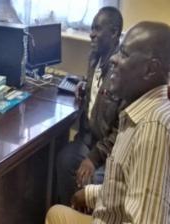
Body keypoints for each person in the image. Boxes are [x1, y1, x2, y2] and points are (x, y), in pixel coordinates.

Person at [46, 21, 170, 223]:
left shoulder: (152, 129)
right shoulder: (142, 110)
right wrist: (89, 194)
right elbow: (125, 187)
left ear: (150, 69)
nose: (113, 58)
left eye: (124, 54)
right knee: (56, 212)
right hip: (110, 211)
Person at [56, 6, 123, 205]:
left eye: (97, 29)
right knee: (63, 159)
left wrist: (93, 158)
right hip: (87, 138)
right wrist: (84, 84)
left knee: (90, 179)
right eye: (91, 28)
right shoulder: (95, 57)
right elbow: (97, 89)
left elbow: (120, 129)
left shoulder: (121, 73)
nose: (91, 34)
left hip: (108, 150)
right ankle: (71, 210)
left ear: (114, 33)